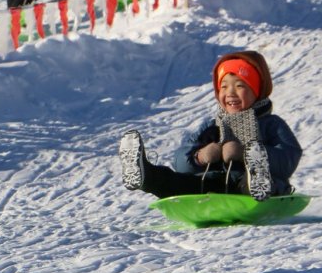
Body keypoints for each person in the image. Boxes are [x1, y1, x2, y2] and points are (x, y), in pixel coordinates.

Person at [118, 51, 302, 202]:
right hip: (212, 186)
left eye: (240, 86)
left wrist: (245, 153)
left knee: (252, 182)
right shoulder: (211, 126)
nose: (230, 93)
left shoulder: (271, 124)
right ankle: (145, 176)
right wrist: (199, 157)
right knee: (179, 182)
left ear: (257, 90)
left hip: (250, 188)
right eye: (223, 87)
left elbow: (289, 158)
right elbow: (180, 161)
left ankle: (257, 178)